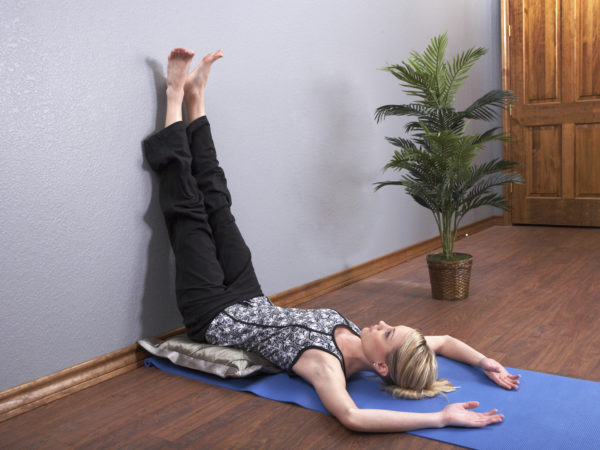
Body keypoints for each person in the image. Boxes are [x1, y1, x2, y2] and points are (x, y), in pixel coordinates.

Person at [143, 47, 521, 433]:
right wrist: (484, 361)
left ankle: (175, 95)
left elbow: (353, 416)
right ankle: (197, 98)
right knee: (219, 202)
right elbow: (443, 341)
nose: (381, 322)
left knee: (189, 213)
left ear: (380, 367)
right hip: (249, 295)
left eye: (388, 332)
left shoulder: (324, 365)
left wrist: (440, 417)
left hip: (211, 314)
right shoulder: (364, 338)